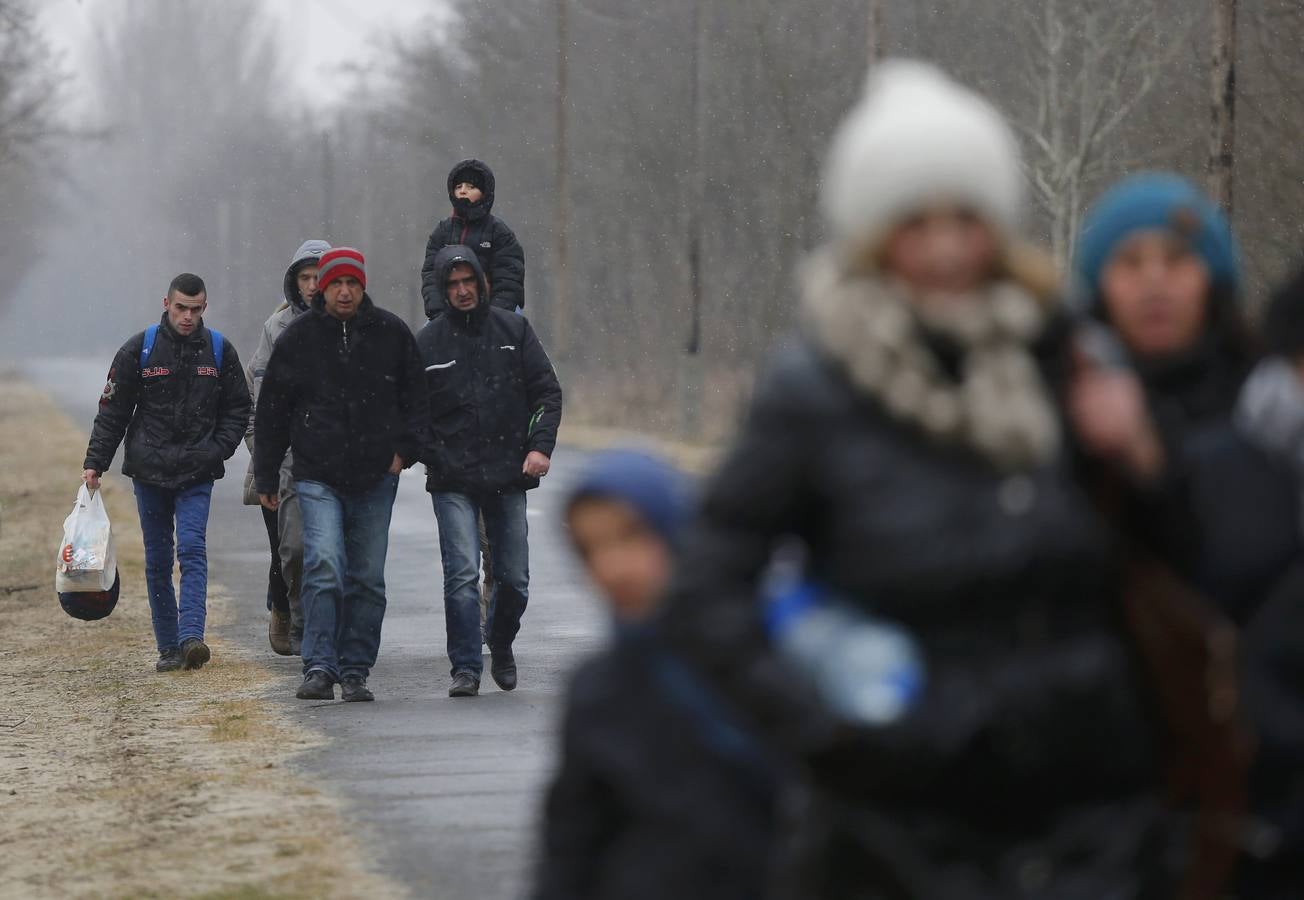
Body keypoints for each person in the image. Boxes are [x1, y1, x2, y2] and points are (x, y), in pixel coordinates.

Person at [660, 62, 1192, 898]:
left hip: (1089, 820)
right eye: (914, 222)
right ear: (872, 235)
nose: (947, 248)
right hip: (893, 836)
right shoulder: (817, 389)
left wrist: (1143, 460)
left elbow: (1166, 561)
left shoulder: (1061, 355)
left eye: (967, 218)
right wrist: (831, 735)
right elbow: (703, 590)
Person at [534, 450, 781, 900]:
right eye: (592, 549)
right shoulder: (599, 692)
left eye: (632, 536)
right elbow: (569, 855)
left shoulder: (767, 660)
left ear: (677, 531)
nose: (613, 567)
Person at [1075, 173, 1301, 624]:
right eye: (1130, 263)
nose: (1154, 282)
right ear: (1099, 288)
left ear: (1212, 282)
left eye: (1177, 260)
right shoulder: (1069, 416)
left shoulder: (1275, 411)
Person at [254, 247, 427, 703]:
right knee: (324, 565)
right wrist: (268, 477)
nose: (344, 292)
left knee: (367, 577)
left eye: (352, 283)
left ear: (363, 286)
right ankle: (318, 664)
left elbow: (418, 397)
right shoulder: (299, 338)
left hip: (375, 475)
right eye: (335, 284)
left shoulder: (390, 333)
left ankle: (355, 669)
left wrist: (403, 452)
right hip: (316, 474)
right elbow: (273, 408)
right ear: (322, 288)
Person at [84, 273, 250, 672]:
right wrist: (95, 463)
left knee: (192, 549)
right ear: (166, 304)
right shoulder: (139, 350)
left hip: (197, 471)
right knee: (158, 560)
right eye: (181, 308)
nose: (188, 317)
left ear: (204, 308)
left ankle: (192, 636)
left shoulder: (218, 350)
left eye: (195, 309)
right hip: (149, 472)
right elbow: (113, 411)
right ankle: (168, 647)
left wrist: (216, 450)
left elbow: (238, 409)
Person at [417, 245, 561, 698]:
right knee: (460, 574)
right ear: (443, 290)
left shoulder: (514, 330)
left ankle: (500, 641)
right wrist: (430, 453)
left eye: (468, 282)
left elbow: (547, 394)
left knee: (513, 577)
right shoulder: (427, 343)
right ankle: (465, 666)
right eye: (453, 285)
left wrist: (539, 447)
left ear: (482, 283)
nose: (461, 291)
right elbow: (409, 411)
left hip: (507, 476)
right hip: (451, 479)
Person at [242, 239, 330, 656]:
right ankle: (284, 607)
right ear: (294, 281)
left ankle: (319, 629)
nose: (313, 285)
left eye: (319, 276)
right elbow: (258, 399)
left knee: (326, 549)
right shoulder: (275, 328)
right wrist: (265, 457)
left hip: (332, 456)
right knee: (287, 549)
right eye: (305, 277)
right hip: (282, 457)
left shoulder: (350, 322)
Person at [420, 158, 525, 314]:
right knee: (426, 336)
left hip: (495, 311)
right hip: (450, 311)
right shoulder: (442, 232)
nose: (463, 191)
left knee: (517, 331)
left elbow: (509, 279)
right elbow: (430, 275)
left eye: (471, 186)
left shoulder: (499, 232)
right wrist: (438, 312)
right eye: (458, 186)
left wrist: (494, 316)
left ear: (484, 193)